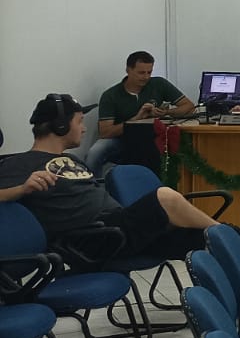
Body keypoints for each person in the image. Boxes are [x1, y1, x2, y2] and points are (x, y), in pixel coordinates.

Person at [0, 94, 223, 261]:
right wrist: (21, 189)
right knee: (165, 197)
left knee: (198, 239)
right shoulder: (19, 164)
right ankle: (226, 235)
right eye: (79, 121)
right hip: (91, 239)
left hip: (115, 229)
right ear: (60, 126)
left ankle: (233, 243)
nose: (84, 129)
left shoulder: (71, 159)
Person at [88, 50, 196, 172]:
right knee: (96, 151)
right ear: (128, 70)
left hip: (153, 136)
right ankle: (90, 182)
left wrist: (166, 113)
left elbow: (189, 106)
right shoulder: (111, 95)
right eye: (141, 73)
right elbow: (105, 132)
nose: (146, 77)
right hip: (123, 139)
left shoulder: (158, 84)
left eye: (149, 72)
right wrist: (136, 120)